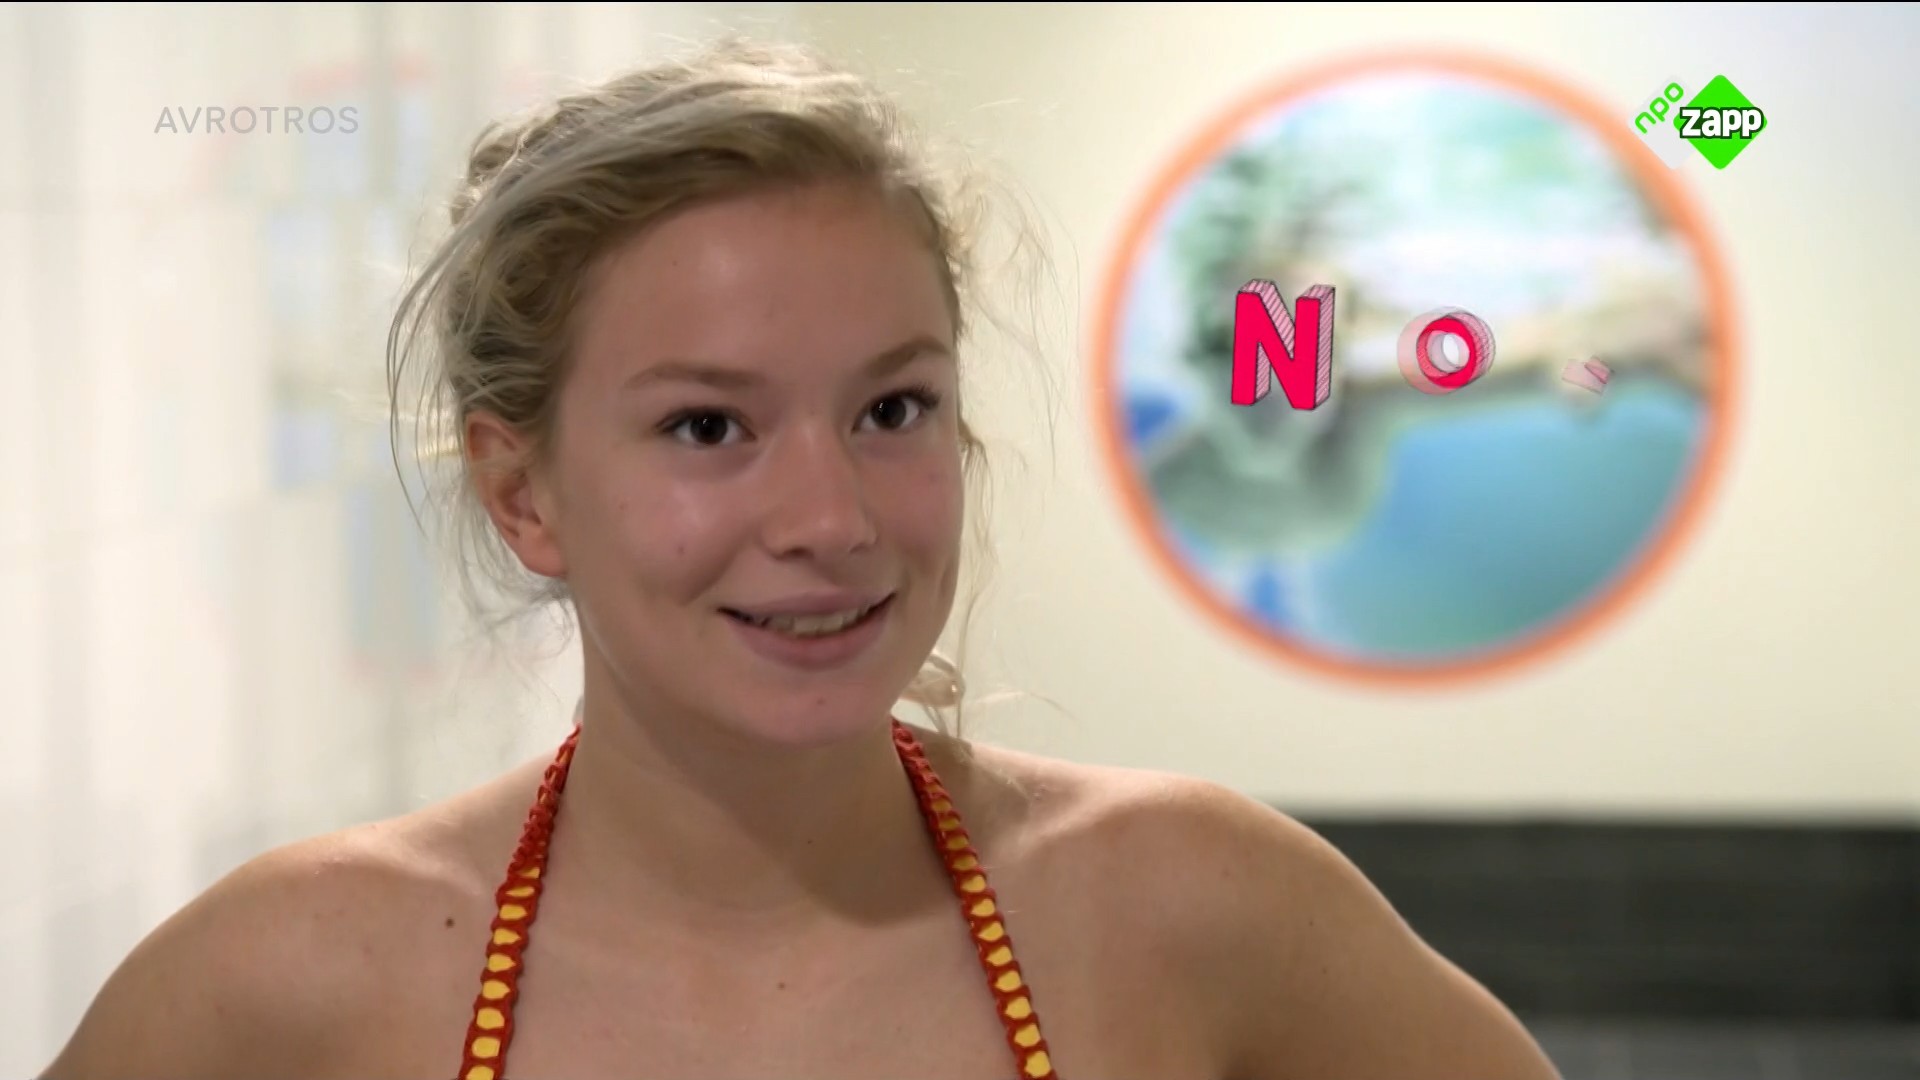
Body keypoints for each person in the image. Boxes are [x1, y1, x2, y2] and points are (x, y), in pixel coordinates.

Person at [41, 37, 1562, 1080]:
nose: (832, 519)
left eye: (892, 409)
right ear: (523, 492)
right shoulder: (294, 982)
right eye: (708, 427)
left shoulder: (1191, 907)